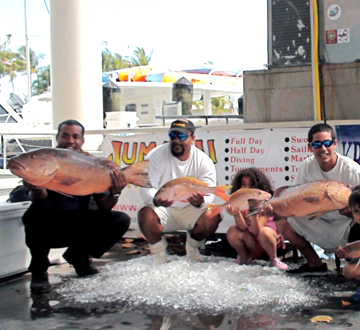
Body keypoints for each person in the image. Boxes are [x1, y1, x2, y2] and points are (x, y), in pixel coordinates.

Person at [22, 119, 131, 293]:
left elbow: (104, 207)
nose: (70, 141)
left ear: (82, 140)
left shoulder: (91, 164)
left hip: (77, 224)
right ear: (58, 137)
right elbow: (39, 198)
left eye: (75, 136)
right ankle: (39, 271)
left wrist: (115, 192)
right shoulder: (47, 160)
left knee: (120, 219)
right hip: (50, 226)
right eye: (65, 136)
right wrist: (35, 187)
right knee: (36, 211)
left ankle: (78, 255)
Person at [273, 123, 360, 276]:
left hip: (346, 227)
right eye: (317, 144)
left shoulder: (352, 170)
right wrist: (275, 206)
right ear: (310, 147)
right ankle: (315, 264)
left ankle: (353, 265)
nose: (323, 149)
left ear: (335, 144)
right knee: (282, 222)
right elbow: (296, 197)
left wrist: (350, 213)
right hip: (318, 222)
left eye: (327, 143)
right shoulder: (307, 166)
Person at [138, 119, 221, 265]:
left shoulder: (203, 160)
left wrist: (201, 202)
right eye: (173, 136)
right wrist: (156, 200)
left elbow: (210, 193)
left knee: (212, 216)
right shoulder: (155, 156)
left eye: (182, 137)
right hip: (164, 208)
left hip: (190, 209)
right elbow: (146, 187)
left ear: (193, 138)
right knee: (145, 214)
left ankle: (192, 248)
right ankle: (159, 254)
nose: (176, 141)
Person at [226, 168, 288, 271]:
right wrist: (236, 214)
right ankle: (245, 259)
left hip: (268, 240)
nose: (247, 188)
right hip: (252, 242)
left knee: (264, 232)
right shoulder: (241, 202)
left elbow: (257, 230)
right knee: (233, 231)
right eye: (243, 184)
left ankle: (274, 260)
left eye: (251, 185)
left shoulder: (265, 202)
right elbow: (242, 227)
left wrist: (253, 211)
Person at [336, 185, 360, 302]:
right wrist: (345, 254)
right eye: (356, 211)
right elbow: (354, 255)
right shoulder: (355, 227)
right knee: (349, 270)